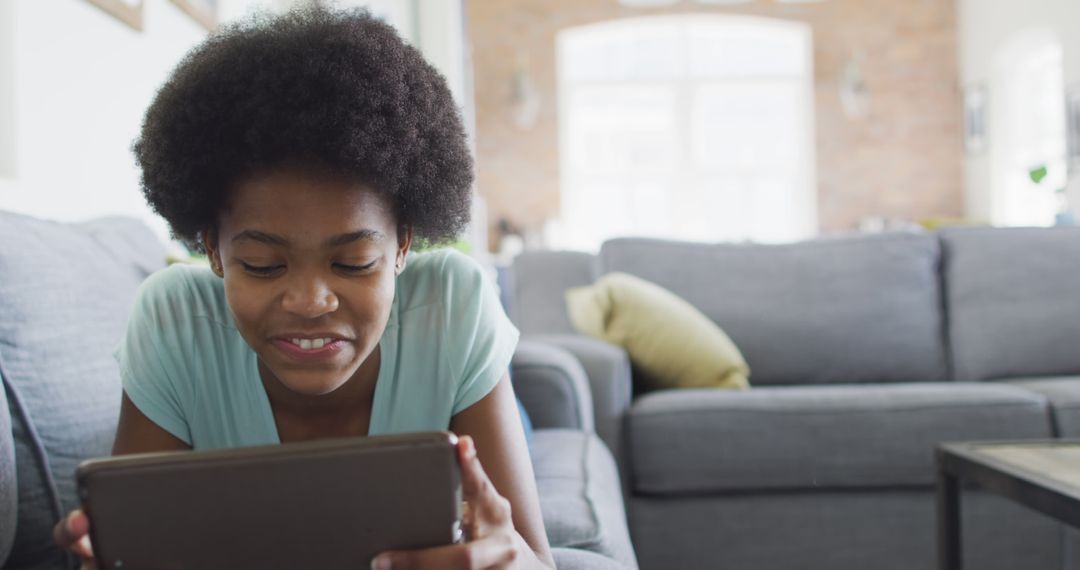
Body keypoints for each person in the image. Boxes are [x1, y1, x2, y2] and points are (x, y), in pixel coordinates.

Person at [52, 6, 554, 569]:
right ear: (213, 249)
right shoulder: (172, 319)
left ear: (404, 244)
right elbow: (136, 546)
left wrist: (515, 563)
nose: (310, 301)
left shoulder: (455, 303)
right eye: (264, 264)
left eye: (355, 261)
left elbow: (533, 557)